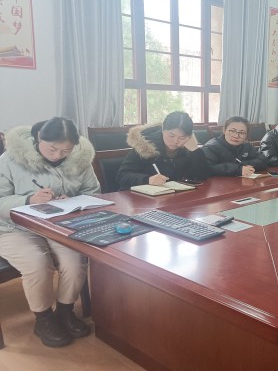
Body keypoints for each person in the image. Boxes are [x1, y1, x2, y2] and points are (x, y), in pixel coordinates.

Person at [0, 117, 99, 348]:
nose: (57, 155)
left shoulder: (80, 159)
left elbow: (94, 192)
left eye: (66, 150)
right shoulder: (10, 159)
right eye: (52, 148)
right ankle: (43, 318)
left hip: (58, 225)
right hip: (13, 228)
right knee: (37, 263)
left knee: (76, 259)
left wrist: (72, 200)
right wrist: (28, 200)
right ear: (38, 138)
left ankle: (65, 311)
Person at [116, 111, 210, 190]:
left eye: (182, 137)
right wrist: (147, 179)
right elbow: (122, 175)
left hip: (178, 198)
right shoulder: (145, 146)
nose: (176, 141)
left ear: (189, 137)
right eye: (171, 135)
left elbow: (202, 177)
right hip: (146, 199)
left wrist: (195, 152)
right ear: (163, 130)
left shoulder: (188, 149)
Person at [203, 116, 268, 177]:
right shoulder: (211, 147)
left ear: (246, 135)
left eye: (242, 133)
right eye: (232, 131)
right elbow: (207, 169)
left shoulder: (246, 146)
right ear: (224, 130)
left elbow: (262, 161)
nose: (236, 136)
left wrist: (241, 165)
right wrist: (238, 169)